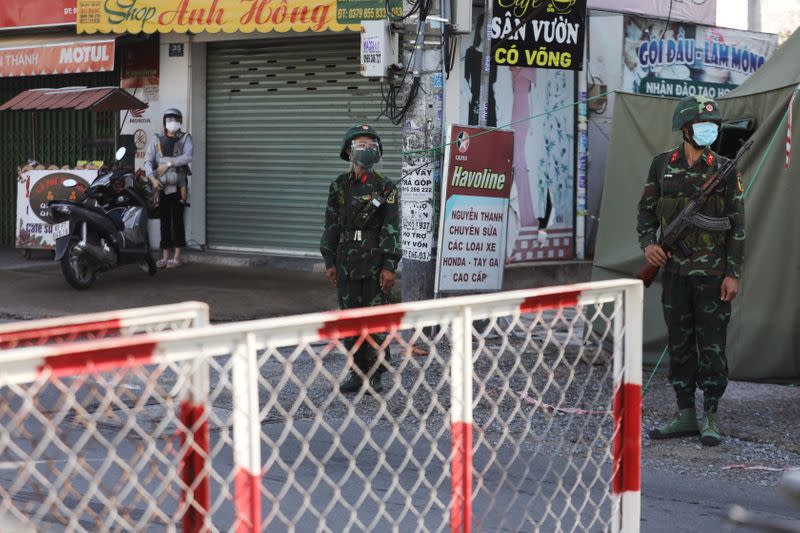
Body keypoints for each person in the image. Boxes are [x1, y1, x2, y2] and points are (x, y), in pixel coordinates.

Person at [637, 95, 745, 447]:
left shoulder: (726, 169)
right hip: (675, 273)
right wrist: (649, 245)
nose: (709, 130)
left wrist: (733, 273)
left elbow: (737, 225)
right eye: (702, 125)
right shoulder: (661, 165)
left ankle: (710, 413)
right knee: (680, 344)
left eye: (714, 125)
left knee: (712, 346)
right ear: (684, 129)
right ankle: (685, 413)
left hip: (713, 276)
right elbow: (646, 212)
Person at [320, 124, 401, 394]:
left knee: (376, 320)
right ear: (348, 151)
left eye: (371, 145)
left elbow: (391, 228)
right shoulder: (338, 186)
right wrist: (329, 260)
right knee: (350, 320)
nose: (366, 150)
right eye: (360, 145)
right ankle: (356, 372)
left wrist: (390, 265)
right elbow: (331, 225)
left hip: (375, 262)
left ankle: (376, 373)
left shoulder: (385, 186)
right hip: (346, 263)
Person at [144, 108, 192, 268]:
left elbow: (188, 156)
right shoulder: (157, 139)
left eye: (176, 119)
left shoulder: (186, 138)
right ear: (165, 122)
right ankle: (165, 255)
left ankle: (177, 255)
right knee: (164, 220)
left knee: (177, 220)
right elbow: (148, 160)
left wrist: (168, 164)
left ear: (180, 121)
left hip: (179, 185)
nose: (173, 123)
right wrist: (152, 179)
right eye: (169, 119)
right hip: (161, 186)